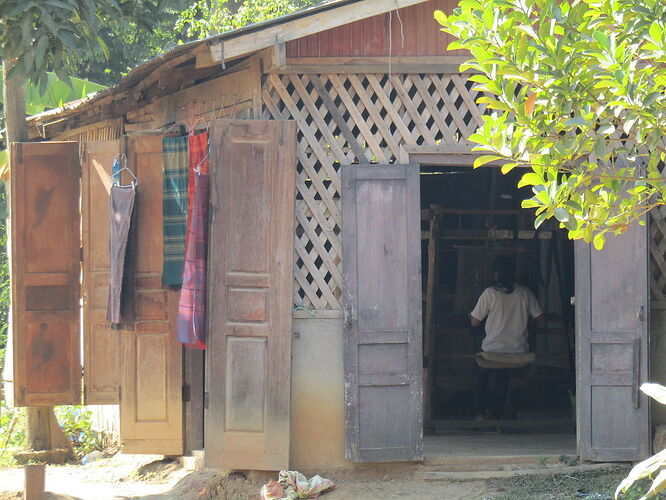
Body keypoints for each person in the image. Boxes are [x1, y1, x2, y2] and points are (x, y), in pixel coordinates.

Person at [469, 255, 545, 420]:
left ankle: (480, 414)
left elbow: (474, 322)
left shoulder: (490, 294)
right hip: (518, 351)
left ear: (495, 274)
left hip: (492, 352)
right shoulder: (525, 293)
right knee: (504, 376)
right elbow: (540, 318)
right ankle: (499, 412)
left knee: (479, 377)